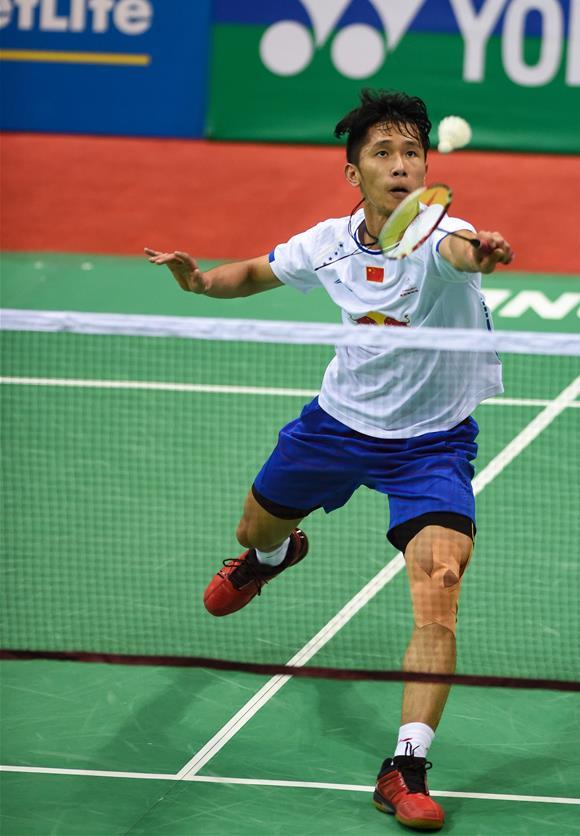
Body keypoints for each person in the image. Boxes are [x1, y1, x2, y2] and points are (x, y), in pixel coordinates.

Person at [145, 89, 513, 832]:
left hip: (433, 442)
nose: (401, 164)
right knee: (252, 529)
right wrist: (197, 280)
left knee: (440, 583)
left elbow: (461, 252)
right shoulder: (329, 242)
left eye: (413, 151)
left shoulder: (447, 237)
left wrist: (487, 253)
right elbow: (253, 272)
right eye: (384, 153)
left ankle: (404, 766)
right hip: (337, 426)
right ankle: (274, 555)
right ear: (356, 175)